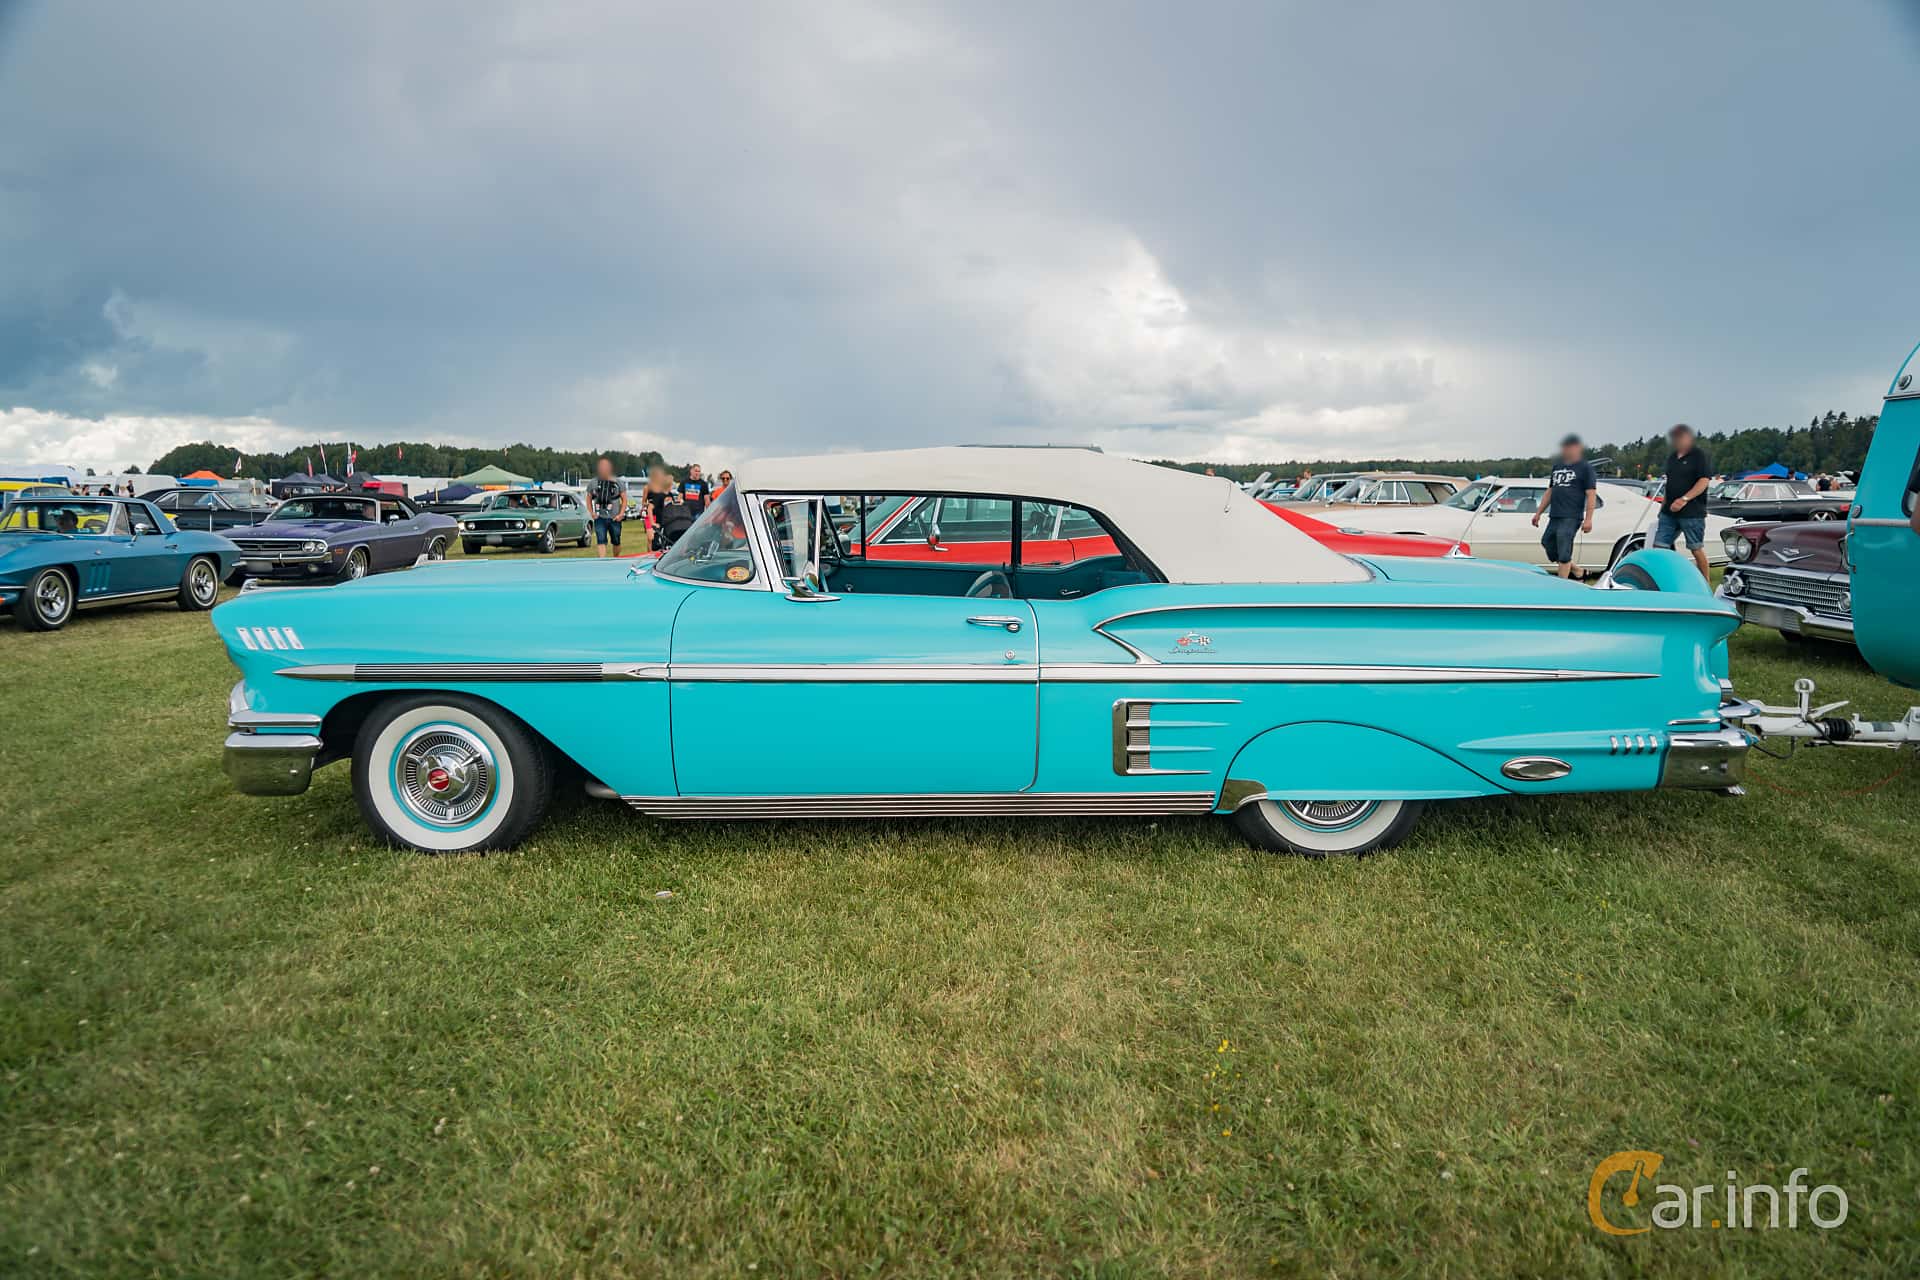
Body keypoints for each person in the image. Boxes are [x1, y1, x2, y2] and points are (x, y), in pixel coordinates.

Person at [1532, 433, 1597, 578]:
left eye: (1570, 447)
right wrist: (1538, 513)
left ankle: (1562, 585)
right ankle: (1576, 570)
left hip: (1571, 516)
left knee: (1564, 550)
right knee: (1547, 542)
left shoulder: (1585, 468)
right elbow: (1550, 490)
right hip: (1555, 515)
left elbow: (1591, 494)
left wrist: (1588, 519)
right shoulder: (1557, 466)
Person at [1654, 423, 1712, 579]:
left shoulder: (1698, 456)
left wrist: (1684, 499)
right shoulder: (1672, 458)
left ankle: (1705, 583)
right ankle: (1665, 579)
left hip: (1692, 512)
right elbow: (1670, 484)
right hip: (1669, 512)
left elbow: (1704, 481)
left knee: (1695, 548)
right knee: (1659, 547)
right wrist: (1662, 508)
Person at [585, 457, 625, 558]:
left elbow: (624, 499)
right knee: (601, 539)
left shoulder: (618, 482)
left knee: (616, 540)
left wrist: (621, 514)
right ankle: (602, 561)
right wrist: (592, 512)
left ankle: (616, 558)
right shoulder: (593, 482)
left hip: (614, 517)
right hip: (600, 517)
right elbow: (588, 498)